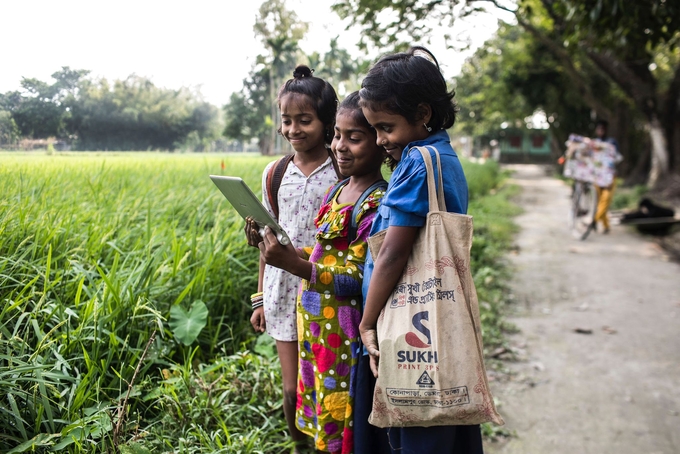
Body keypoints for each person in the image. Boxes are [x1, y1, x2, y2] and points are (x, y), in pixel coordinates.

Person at [354, 46, 484, 454]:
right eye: (373, 128)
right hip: (432, 324)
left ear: (423, 114)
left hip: (407, 327)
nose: (380, 140)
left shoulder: (418, 163)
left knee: (415, 429)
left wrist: (367, 321)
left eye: (386, 127)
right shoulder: (443, 156)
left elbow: (392, 254)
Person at [248, 91, 390, 454]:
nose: (340, 146)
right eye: (339, 136)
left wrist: (296, 263)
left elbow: (359, 276)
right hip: (312, 324)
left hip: (343, 332)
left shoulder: (374, 202)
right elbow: (325, 251)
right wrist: (287, 253)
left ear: (381, 141)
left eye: (353, 138)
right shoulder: (340, 190)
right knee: (309, 401)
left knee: (340, 413)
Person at [245, 65, 340, 453]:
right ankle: (300, 445)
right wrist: (259, 298)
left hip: (324, 289)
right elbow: (270, 239)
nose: (294, 129)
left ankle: (329, 444)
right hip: (282, 292)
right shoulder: (275, 172)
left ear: (326, 121)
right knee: (291, 388)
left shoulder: (341, 171)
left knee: (325, 381)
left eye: (305, 120)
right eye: (287, 121)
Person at [585, 119, 621, 236]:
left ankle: (593, 220)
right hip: (597, 177)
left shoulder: (612, 143)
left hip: (609, 177)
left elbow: (617, 158)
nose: (600, 131)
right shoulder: (594, 143)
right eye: (599, 128)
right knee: (600, 202)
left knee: (605, 201)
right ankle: (605, 226)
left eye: (602, 129)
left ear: (606, 130)